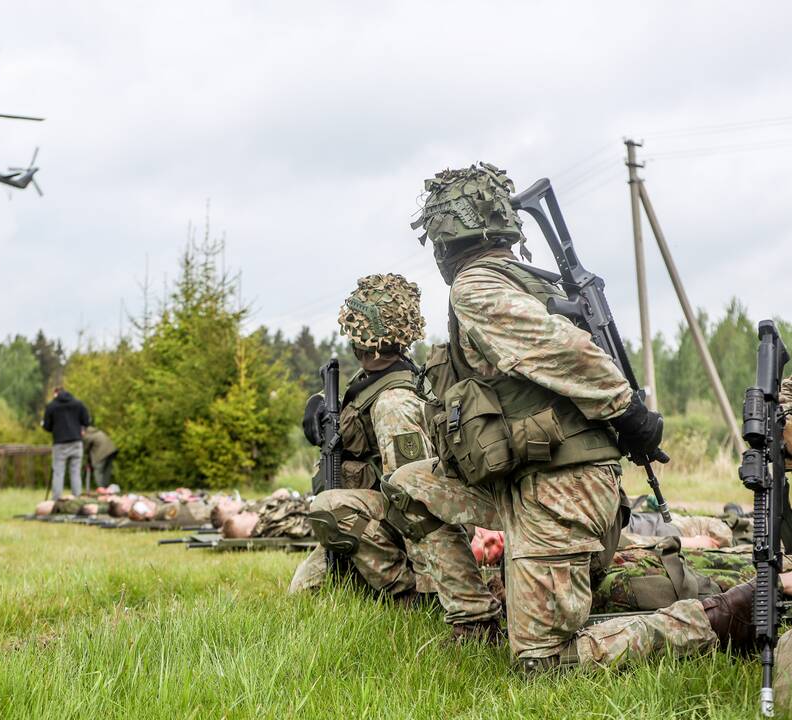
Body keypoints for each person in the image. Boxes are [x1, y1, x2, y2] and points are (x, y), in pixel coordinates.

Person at [375, 162, 754, 667]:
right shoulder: (526, 282)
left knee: (543, 662)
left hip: (560, 489)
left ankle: (719, 617)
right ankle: (474, 620)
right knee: (407, 483)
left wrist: (628, 410)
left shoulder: (477, 288)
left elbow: (564, 349)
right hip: (525, 480)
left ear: (445, 236)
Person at [288, 272, 436, 600]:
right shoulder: (372, 376)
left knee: (328, 508)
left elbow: (414, 500)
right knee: (303, 593)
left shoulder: (393, 403)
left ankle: (407, 594)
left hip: (392, 525)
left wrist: (430, 584)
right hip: (369, 513)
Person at [42, 386, 92, 499]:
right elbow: (87, 420)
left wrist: (54, 428)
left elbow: (46, 426)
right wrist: (81, 428)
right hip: (76, 442)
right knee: (75, 472)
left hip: (60, 443)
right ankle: (77, 498)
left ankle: (56, 501)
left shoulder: (52, 406)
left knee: (59, 472)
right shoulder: (78, 404)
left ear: (56, 393)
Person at [221, 495, 311, 539]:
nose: (244, 513)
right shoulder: (270, 527)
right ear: (248, 531)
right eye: (243, 517)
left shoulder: (263, 520)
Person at [82, 426, 118, 491]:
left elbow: (86, 449)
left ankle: (101, 488)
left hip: (102, 453)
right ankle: (106, 488)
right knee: (107, 470)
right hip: (112, 451)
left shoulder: (87, 436)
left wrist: (87, 462)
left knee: (98, 470)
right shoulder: (98, 432)